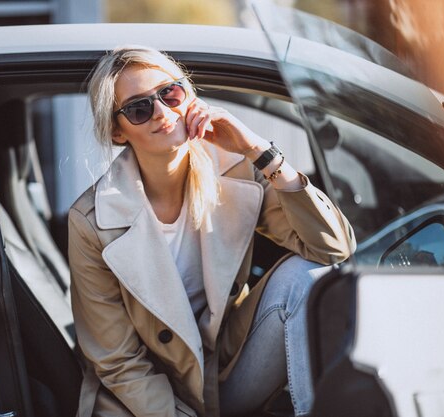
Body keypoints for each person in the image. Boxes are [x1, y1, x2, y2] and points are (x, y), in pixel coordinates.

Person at [68, 45, 356, 417]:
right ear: (117, 132)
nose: (163, 113)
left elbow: (333, 249)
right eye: (139, 108)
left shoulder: (236, 169)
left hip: (226, 370)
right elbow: (118, 362)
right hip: (152, 398)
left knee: (308, 276)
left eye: (170, 93)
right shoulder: (92, 220)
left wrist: (258, 151)